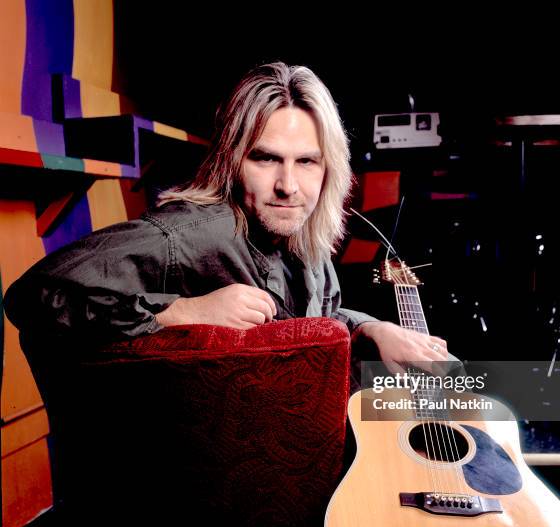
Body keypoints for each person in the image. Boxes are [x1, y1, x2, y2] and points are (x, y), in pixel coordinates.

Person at [4, 62, 448, 375]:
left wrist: (372, 328)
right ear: (234, 161)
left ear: (329, 168)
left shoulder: (302, 232)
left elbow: (313, 318)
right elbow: (34, 295)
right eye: (265, 159)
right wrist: (181, 311)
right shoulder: (192, 234)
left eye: (307, 162)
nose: (288, 186)